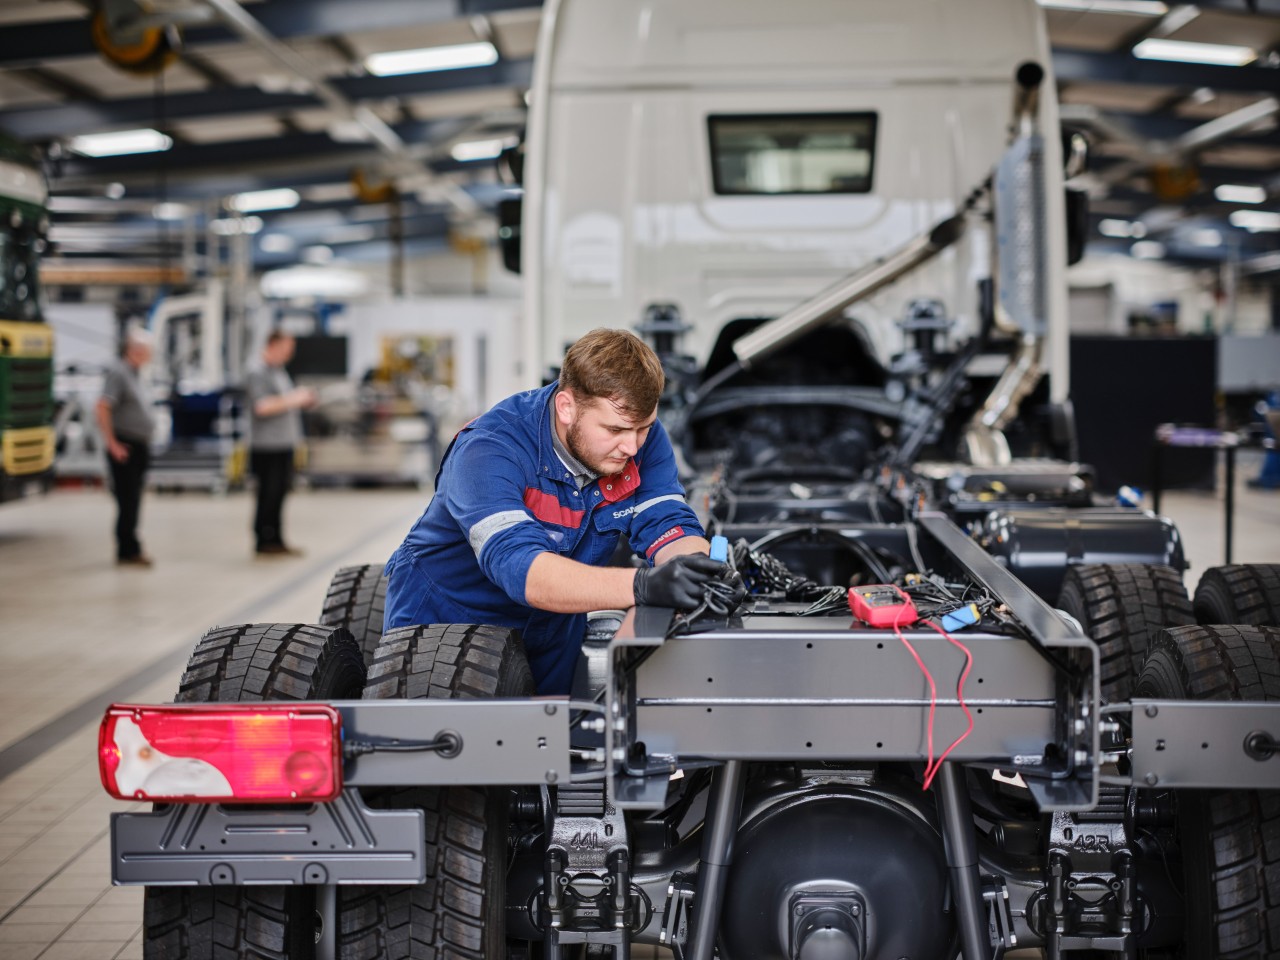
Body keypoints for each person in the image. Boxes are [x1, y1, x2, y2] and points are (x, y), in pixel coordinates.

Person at [383, 327, 737, 696]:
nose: (632, 446)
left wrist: (698, 572)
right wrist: (644, 585)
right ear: (567, 407)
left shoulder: (638, 436)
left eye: (643, 429)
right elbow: (524, 569)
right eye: (615, 429)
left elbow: (666, 522)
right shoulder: (488, 450)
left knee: (556, 743)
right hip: (448, 629)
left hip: (552, 626)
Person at [245, 331, 316, 556]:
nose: (290, 353)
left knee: (280, 493)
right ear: (274, 344)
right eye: (287, 347)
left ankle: (276, 538)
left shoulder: (278, 371)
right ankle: (263, 540)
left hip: (283, 443)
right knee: (268, 492)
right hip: (266, 445)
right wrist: (294, 398)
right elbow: (261, 406)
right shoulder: (257, 371)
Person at [96, 326, 156, 567]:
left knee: (134, 498)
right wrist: (112, 443)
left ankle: (131, 545)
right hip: (125, 446)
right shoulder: (119, 373)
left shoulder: (134, 374)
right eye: (147, 350)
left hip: (138, 445)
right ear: (136, 350)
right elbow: (102, 406)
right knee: (127, 499)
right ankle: (127, 549)